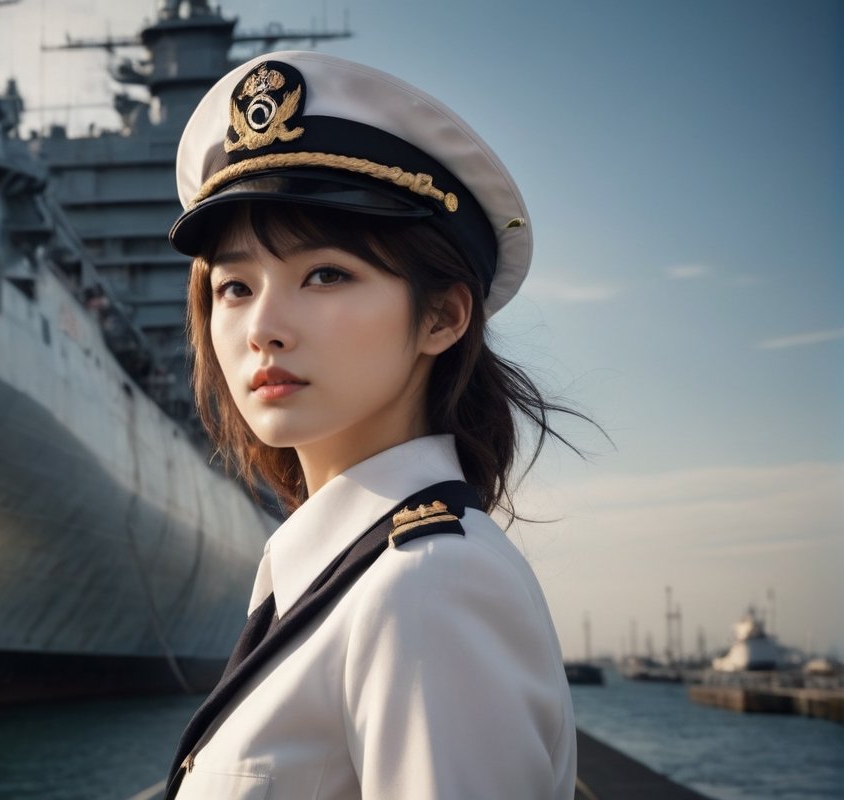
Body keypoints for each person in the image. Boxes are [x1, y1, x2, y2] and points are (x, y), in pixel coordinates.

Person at [163, 52, 586, 799]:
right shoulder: (351, 571)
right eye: (234, 286)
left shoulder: (429, 586)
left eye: (326, 274)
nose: (263, 327)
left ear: (442, 317)